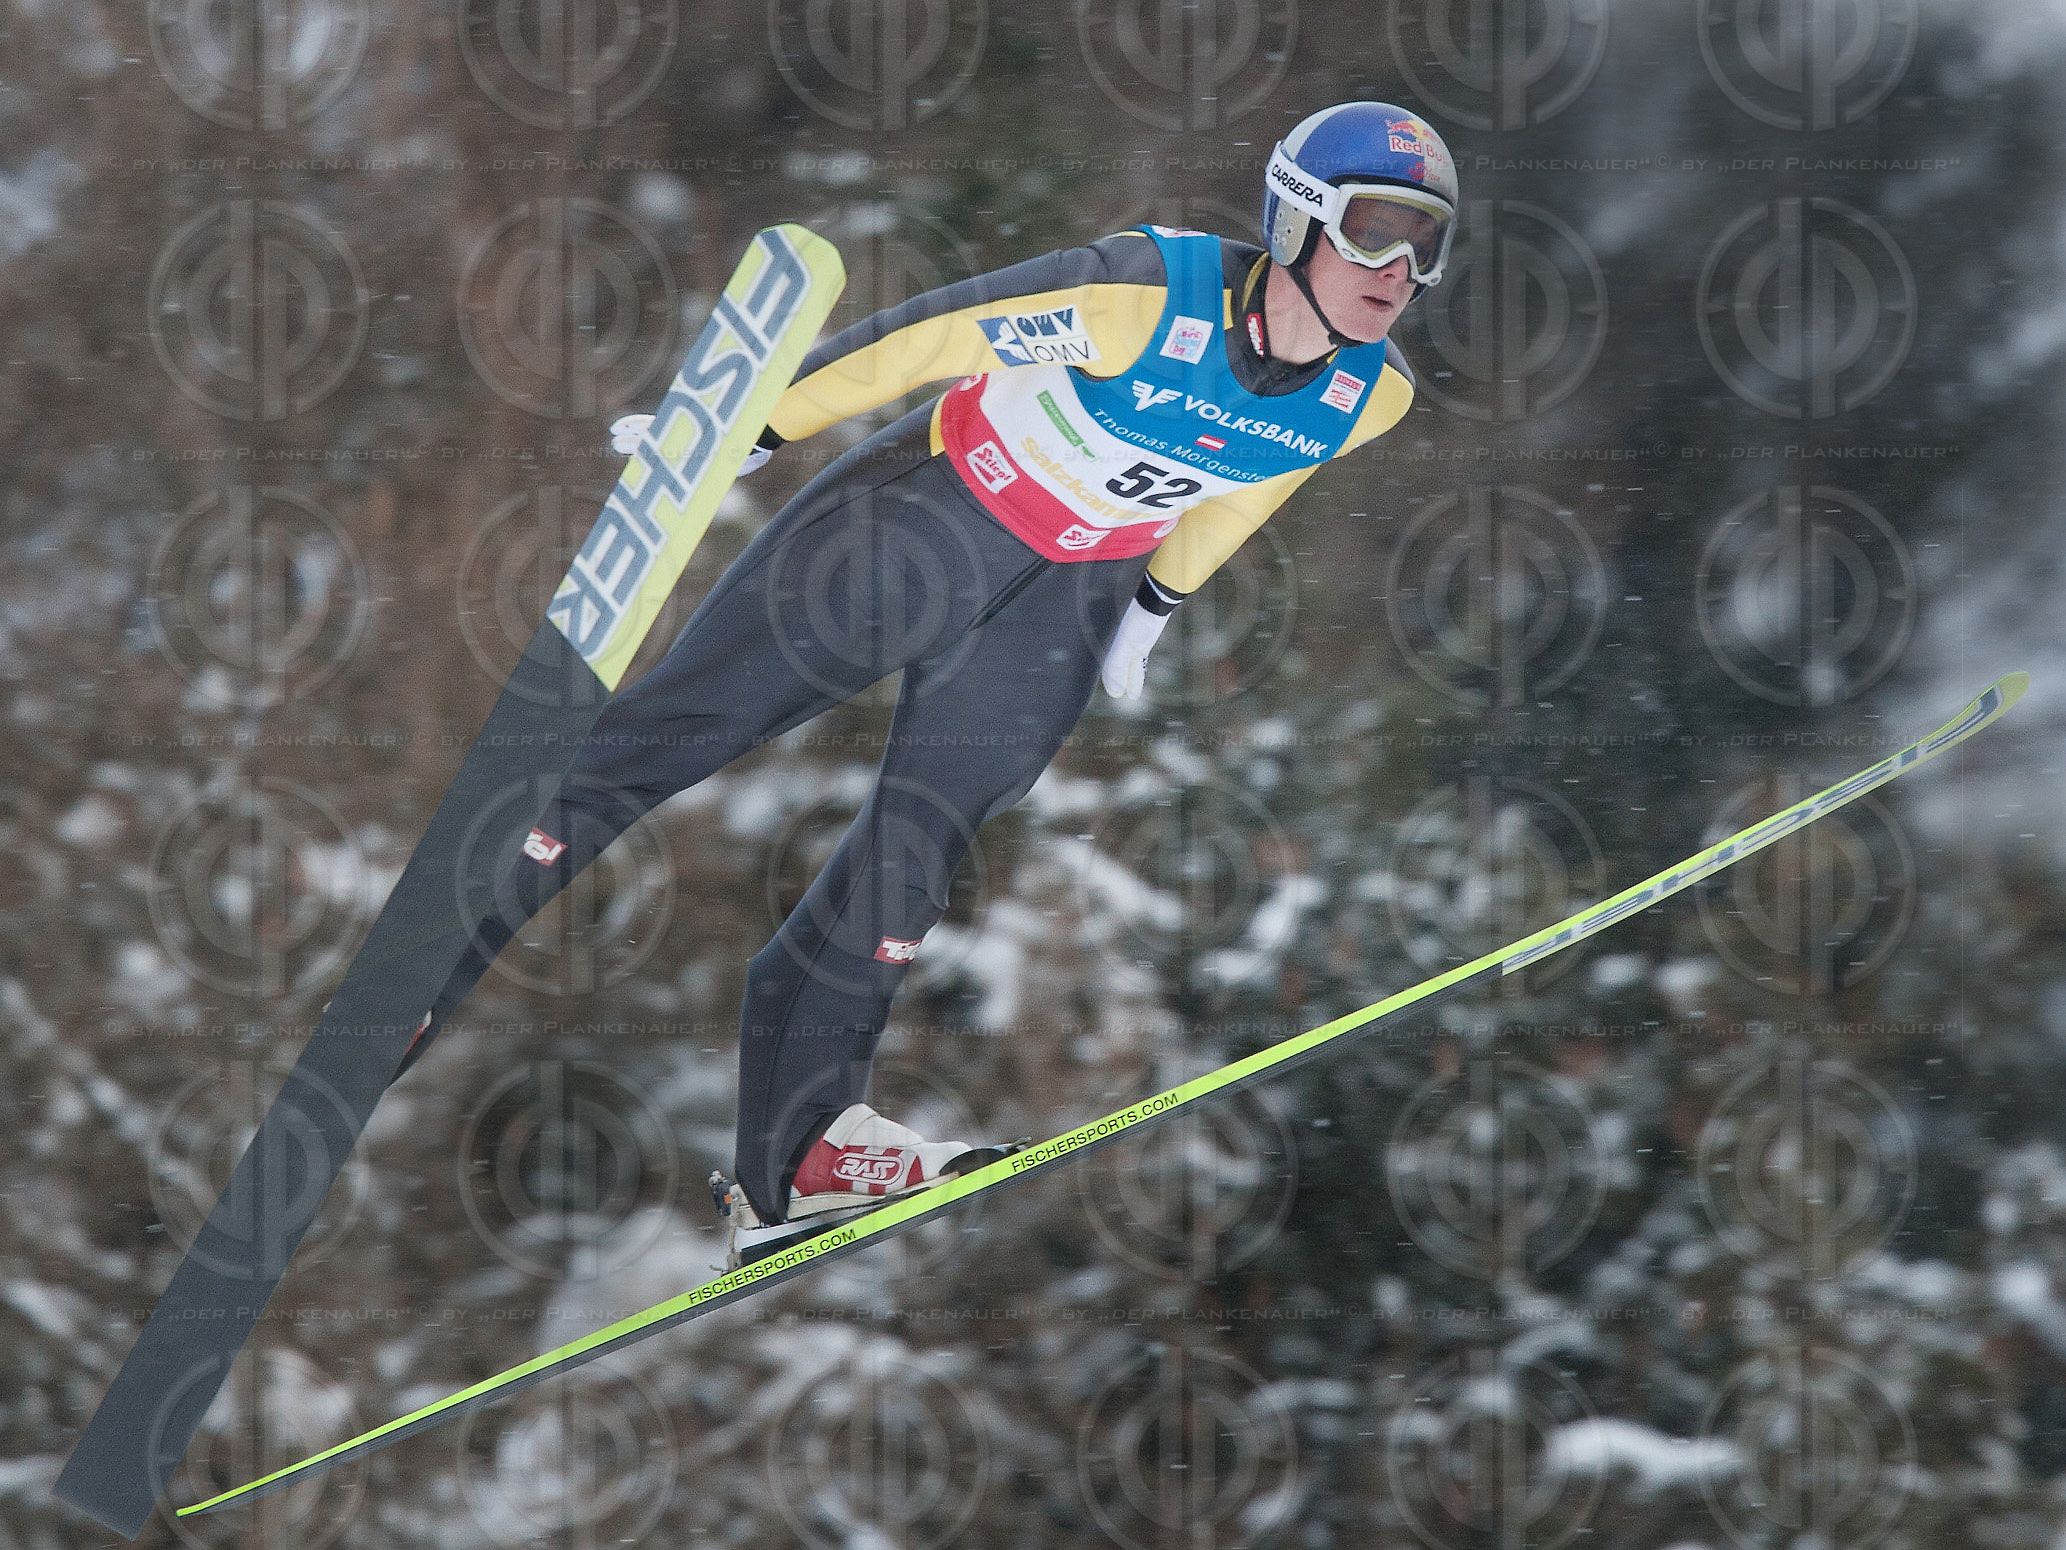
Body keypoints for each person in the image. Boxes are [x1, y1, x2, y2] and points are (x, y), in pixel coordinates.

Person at [403, 101, 1460, 1259]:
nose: (1396, 269)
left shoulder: (1370, 393)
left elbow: (1259, 475)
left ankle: (796, 1156)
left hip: (1068, 591)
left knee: (921, 844)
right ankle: (423, 968)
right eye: (1373, 230)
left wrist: (1156, 601)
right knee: (671, 738)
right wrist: (752, 426)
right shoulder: (1143, 296)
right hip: (926, 519)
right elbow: (932, 336)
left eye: (1424, 243)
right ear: (1296, 221)